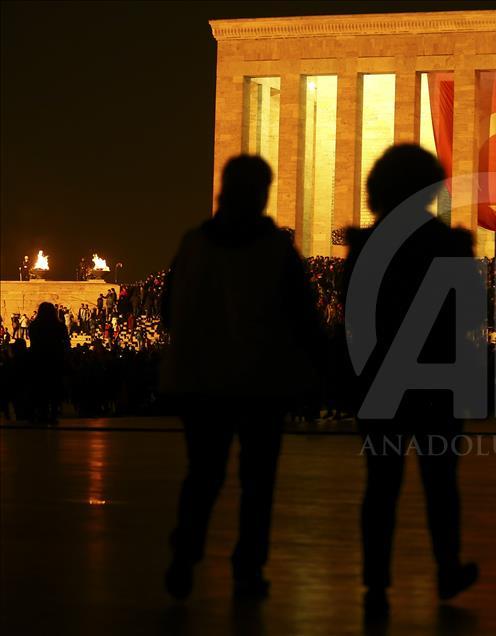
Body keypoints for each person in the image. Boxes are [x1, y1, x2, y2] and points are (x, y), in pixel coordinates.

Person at [160, 155, 324, 601]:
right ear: (261, 195)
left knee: (202, 475)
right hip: (259, 383)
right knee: (257, 483)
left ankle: (185, 554)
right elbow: (303, 319)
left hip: (200, 382)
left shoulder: (193, 244)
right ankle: (248, 569)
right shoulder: (275, 251)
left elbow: (168, 310)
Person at [343, 144, 479, 619]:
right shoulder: (446, 244)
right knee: (440, 483)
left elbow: (353, 319)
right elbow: (467, 316)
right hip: (436, 382)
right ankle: (447, 568)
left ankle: (376, 581)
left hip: (381, 381)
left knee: (381, 484)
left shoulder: (364, 247)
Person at [27, 302, 69, 424]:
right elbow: (66, 343)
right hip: (55, 360)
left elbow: (33, 343)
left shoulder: (34, 325)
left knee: (41, 389)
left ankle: (42, 414)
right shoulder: (60, 326)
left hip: (39, 361)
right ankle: (54, 414)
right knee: (54, 389)